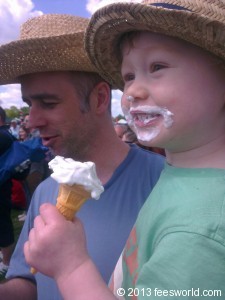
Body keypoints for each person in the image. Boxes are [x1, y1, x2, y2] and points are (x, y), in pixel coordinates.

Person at [22, 1, 225, 299]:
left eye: (157, 67)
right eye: (128, 76)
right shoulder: (181, 175)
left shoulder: (201, 230)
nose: (131, 92)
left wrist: (71, 267)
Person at [0, 14, 164, 299]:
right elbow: (29, 282)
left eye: (48, 103)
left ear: (100, 99)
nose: (32, 120)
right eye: (28, 104)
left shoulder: (165, 184)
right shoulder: (45, 191)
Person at [0, 107, 29, 274]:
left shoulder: (3, 136)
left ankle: (7, 262)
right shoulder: (6, 134)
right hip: (4, 185)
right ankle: (5, 255)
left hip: (2, 187)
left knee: (3, 224)